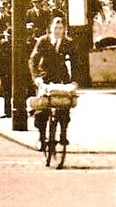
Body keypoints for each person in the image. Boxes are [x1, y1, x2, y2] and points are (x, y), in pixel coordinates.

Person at [28, 17, 75, 150]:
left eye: (61, 28)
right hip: (45, 77)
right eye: (56, 28)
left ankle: (63, 134)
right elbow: (33, 60)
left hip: (62, 78)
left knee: (65, 107)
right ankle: (42, 137)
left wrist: (75, 81)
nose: (58, 31)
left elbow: (76, 62)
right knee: (42, 110)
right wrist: (37, 77)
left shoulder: (68, 43)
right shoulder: (43, 41)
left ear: (64, 29)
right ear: (50, 28)